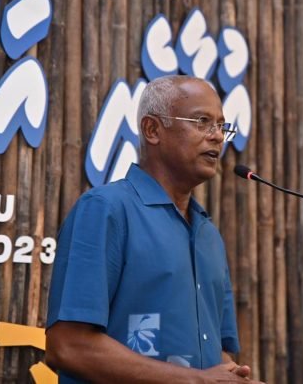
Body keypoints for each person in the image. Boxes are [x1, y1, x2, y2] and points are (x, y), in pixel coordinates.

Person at [46, 75, 262, 383]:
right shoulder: (105, 209)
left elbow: (217, 356)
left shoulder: (208, 234)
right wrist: (196, 381)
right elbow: (67, 346)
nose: (217, 137)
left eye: (221, 126)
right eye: (202, 121)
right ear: (152, 130)